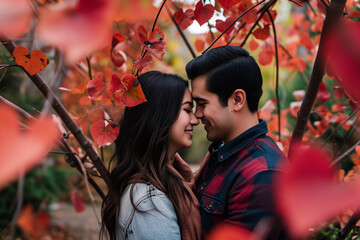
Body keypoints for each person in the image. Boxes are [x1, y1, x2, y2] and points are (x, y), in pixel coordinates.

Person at [185, 46, 289, 238]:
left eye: (202, 104)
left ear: (237, 100)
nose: (197, 115)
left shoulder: (262, 175)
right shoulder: (223, 153)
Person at [100, 71, 202, 240]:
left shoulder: (165, 184)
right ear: (160, 115)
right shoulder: (150, 204)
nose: (195, 120)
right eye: (187, 110)